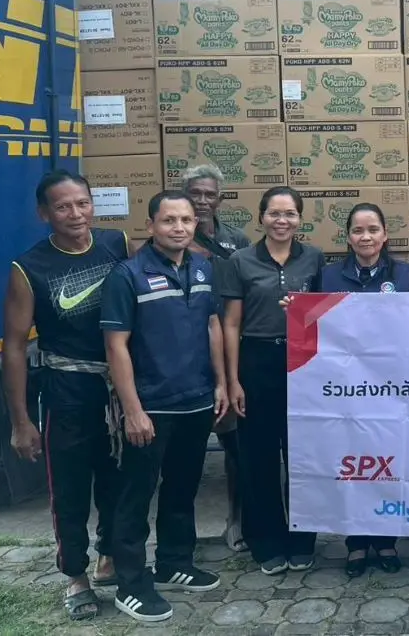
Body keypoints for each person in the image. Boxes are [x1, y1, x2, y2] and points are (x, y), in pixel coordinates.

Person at [3, 170, 130, 621]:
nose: (75, 214)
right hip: (66, 389)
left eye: (82, 203)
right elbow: (14, 346)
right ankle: (75, 575)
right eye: (62, 207)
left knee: (119, 478)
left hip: (118, 388)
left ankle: (109, 556)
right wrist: (21, 421)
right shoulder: (29, 268)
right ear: (44, 214)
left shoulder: (117, 244)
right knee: (71, 488)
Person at [101, 191, 227, 622]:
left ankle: (174, 562)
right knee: (135, 495)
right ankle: (131, 584)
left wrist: (220, 383)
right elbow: (116, 346)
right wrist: (132, 409)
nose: (179, 228)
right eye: (169, 220)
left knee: (182, 488)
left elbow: (212, 326)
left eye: (186, 220)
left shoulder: (203, 268)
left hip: (195, 401)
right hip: (151, 406)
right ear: (151, 225)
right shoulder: (128, 275)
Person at [220, 187, 325, 575]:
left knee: (302, 454)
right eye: (274, 213)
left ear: (300, 219)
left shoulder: (313, 257)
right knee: (258, 456)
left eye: (290, 214)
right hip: (256, 360)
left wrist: (303, 312)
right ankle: (266, 541)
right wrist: (233, 379)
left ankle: (302, 539)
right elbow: (231, 324)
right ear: (261, 217)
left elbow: (324, 314)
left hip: (302, 361)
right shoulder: (240, 260)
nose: (282, 221)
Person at [321, 202, 409, 578]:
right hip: (344, 387)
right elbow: (313, 321)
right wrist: (294, 310)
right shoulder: (328, 276)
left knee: (388, 462)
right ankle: (356, 543)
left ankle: (387, 540)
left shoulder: (403, 274)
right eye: (358, 230)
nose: (366, 237)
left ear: (385, 235)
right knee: (352, 463)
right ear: (347, 237)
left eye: (373, 229)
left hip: (391, 386)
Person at [184, 163, 252, 554]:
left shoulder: (236, 240)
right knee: (186, 451)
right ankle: (181, 534)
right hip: (187, 353)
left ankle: (236, 520)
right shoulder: (173, 236)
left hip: (230, 349)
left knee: (236, 446)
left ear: (220, 199)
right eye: (195, 193)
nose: (202, 201)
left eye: (210, 194)